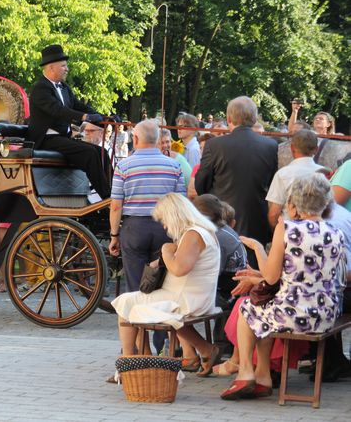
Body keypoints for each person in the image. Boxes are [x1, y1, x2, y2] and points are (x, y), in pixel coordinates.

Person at [221, 174, 344, 400]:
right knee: (263, 309)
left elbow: (270, 276)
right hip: (325, 315)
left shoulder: (288, 228)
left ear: (293, 203)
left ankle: (246, 372)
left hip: (294, 315)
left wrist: (258, 247)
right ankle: (263, 376)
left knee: (247, 308)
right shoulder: (334, 231)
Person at [111, 193, 221, 376]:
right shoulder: (200, 231)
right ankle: (205, 350)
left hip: (186, 298)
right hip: (192, 295)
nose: (164, 226)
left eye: (164, 220)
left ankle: (128, 364)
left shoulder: (193, 234)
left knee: (125, 303)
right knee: (131, 301)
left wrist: (166, 251)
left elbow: (179, 269)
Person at [108, 119, 186, 293]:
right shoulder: (174, 166)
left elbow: (115, 206)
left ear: (135, 139)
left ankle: (135, 317)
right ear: (158, 139)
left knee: (135, 283)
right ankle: (158, 317)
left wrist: (114, 235)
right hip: (165, 227)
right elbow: (181, 203)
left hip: (134, 227)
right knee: (163, 282)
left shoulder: (123, 166)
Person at [28, 44, 112, 199]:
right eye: (64, 66)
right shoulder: (40, 89)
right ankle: (107, 198)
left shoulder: (65, 88)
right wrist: (85, 118)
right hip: (46, 139)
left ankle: (115, 193)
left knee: (101, 152)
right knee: (90, 153)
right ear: (51, 68)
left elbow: (79, 106)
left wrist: (106, 118)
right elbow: (58, 110)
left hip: (62, 139)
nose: (67, 69)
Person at [194, 96, 278, 248]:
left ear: (229, 118)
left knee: (222, 263)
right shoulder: (270, 146)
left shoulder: (215, 145)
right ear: (254, 118)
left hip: (220, 217)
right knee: (252, 266)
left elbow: (201, 184)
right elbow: (272, 183)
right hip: (256, 218)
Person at [266, 129, 326, 227]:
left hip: (289, 232)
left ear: (292, 148)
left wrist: (277, 233)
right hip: (320, 231)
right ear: (316, 149)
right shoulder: (325, 173)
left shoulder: (283, 174)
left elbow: (274, 213)